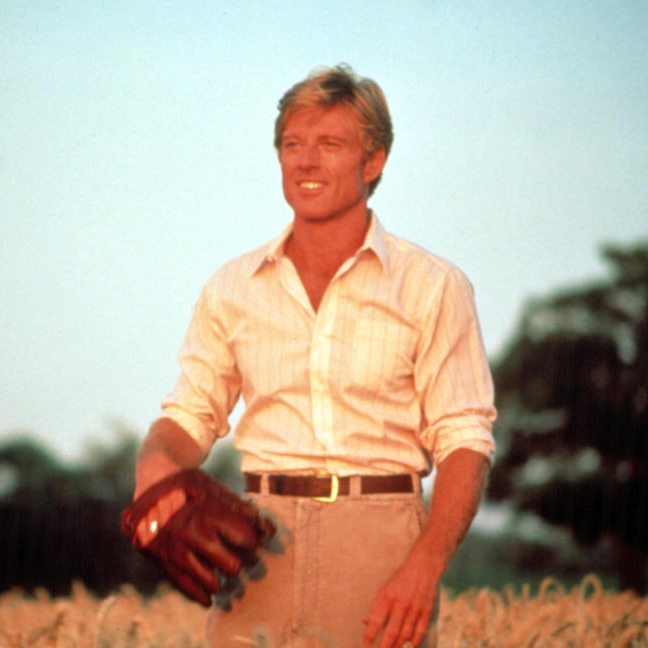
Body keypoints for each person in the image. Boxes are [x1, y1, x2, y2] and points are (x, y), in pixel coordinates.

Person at [130, 64, 496, 648]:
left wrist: (423, 568)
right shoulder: (232, 286)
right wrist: (154, 466)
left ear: (372, 162)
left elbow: (465, 441)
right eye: (293, 144)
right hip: (254, 548)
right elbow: (191, 415)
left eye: (331, 144)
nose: (306, 161)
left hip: (379, 544)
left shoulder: (432, 285)